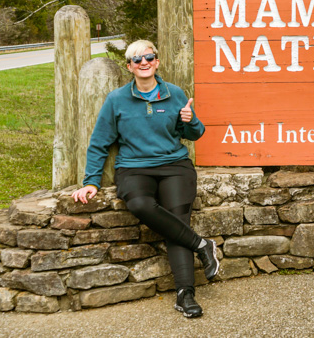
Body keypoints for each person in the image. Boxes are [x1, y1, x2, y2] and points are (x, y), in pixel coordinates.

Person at [70, 40, 219, 318]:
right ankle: (202, 245)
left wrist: (190, 119)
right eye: (137, 60)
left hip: (174, 165)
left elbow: (193, 134)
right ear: (129, 66)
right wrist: (91, 181)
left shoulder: (174, 94)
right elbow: (100, 142)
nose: (144, 62)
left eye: (149, 57)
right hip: (134, 168)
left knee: (177, 219)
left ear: (157, 62)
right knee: (139, 204)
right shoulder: (116, 100)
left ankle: (185, 294)